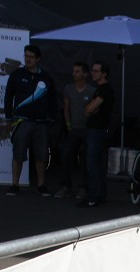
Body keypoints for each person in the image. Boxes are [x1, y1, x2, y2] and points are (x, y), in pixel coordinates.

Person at [3, 44, 58, 197]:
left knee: (41, 155)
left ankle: (41, 185)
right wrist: (8, 118)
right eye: (26, 56)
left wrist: (52, 118)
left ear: (38, 59)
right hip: (21, 121)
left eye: (31, 57)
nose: (28, 59)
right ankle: (15, 185)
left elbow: (53, 99)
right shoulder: (17, 74)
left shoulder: (46, 77)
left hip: (41, 123)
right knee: (18, 153)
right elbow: (8, 96)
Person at [54, 62, 96, 200]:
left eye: (77, 71)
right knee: (66, 156)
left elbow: (95, 109)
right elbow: (66, 107)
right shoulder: (68, 89)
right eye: (73, 71)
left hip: (87, 130)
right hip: (73, 129)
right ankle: (65, 186)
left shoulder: (91, 90)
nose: (74, 74)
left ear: (85, 74)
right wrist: (68, 123)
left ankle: (83, 188)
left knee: (85, 159)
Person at [80, 61, 114, 208]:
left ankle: (93, 196)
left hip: (97, 129)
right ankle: (99, 195)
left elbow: (88, 109)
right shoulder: (102, 89)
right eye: (92, 70)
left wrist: (91, 108)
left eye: (96, 71)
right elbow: (89, 109)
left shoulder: (103, 90)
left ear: (103, 73)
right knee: (98, 163)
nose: (93, 73)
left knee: (93, 164)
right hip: (99, 129)